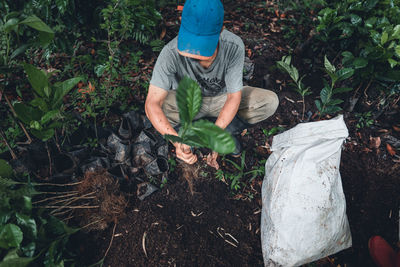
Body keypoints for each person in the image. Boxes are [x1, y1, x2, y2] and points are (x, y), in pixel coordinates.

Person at [145, 0, 279, 168]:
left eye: (203, 47)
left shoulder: (233, 45)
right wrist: (177, 142)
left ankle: (227, 130)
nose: (196, 55)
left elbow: (233, 97)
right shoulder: (170, 53)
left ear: (221, 30)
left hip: (221, 100)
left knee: (269, 102)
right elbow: (152, 103)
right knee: (156, 109)